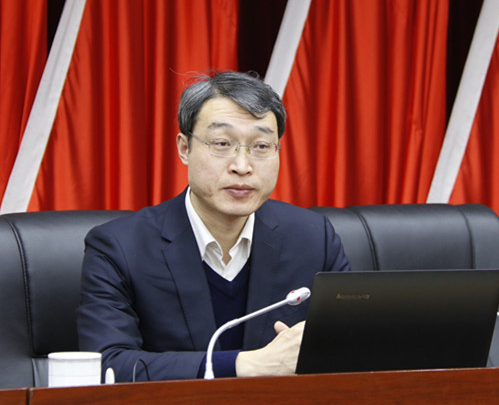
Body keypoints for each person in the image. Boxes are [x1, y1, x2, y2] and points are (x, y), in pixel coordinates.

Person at [77, 71, 350, 382]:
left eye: (261, 146)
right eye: (222, 143)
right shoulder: (119, 247)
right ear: (184, 148)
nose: (242, 166)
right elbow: (108, 364)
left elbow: (351, 345)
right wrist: (243, 365)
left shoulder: (314, 238)